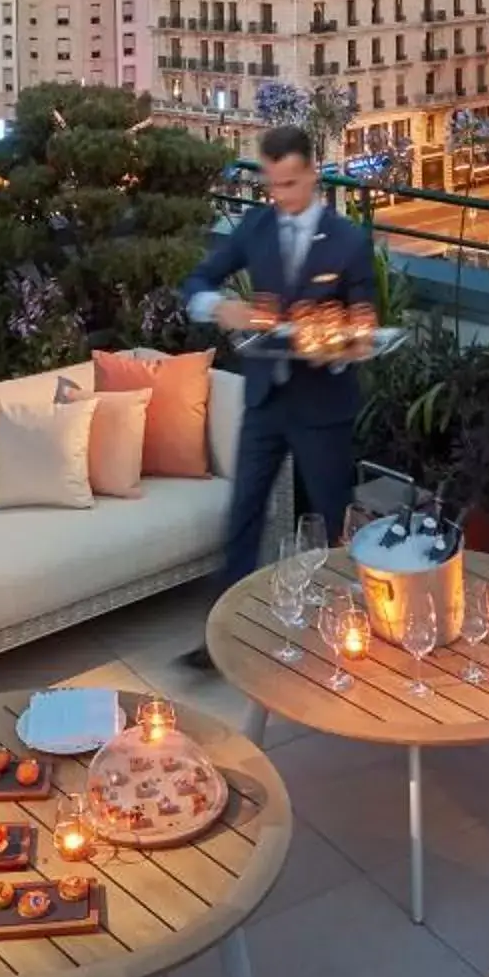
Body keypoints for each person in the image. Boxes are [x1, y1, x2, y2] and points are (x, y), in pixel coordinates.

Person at [181, 123, 377, 628]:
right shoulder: (256, 228)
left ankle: (355, 624)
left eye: (289, 183)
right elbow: (197, 281)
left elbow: (364, 325)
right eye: (271, 185)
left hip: (322, 404)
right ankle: (226, 629)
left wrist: (331, 348)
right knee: (244, 513)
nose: (280, 196)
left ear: (312, 174)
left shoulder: (349, 241)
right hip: (264, 400)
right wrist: (220, 306)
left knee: (336, 518)